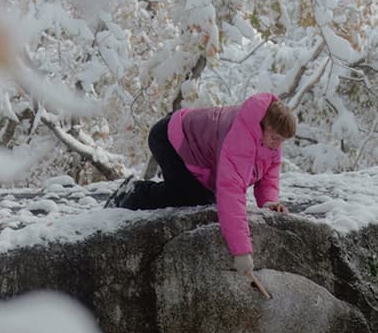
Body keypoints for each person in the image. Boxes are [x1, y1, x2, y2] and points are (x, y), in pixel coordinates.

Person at [106, 93, 296, 278]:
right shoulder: (240, 137)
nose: (278, 144)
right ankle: (133, 193)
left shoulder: (270, 141)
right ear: (262, 125)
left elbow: (268, 174)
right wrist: (241, 251)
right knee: (188, 198)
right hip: (170, 138)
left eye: (282, 140)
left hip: (195, 152)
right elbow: (231, 191)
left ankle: (145, 191)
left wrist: (269, 202)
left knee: (206, 201)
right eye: (275, 137)